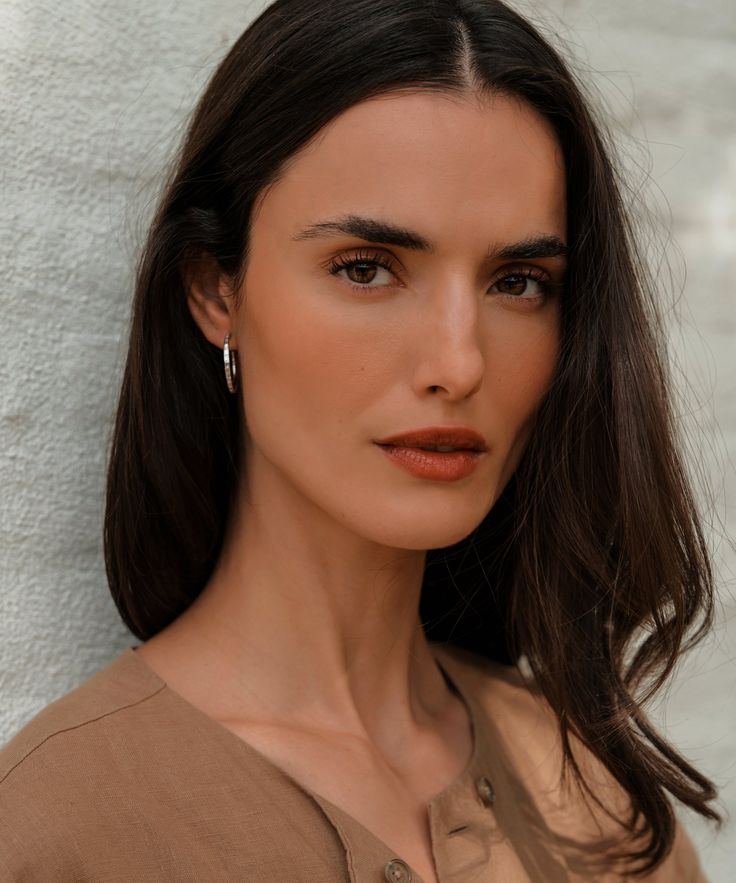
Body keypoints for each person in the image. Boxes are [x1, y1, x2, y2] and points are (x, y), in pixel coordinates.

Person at [0, 0, 722, 880]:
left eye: (520, 281)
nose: (458, 364)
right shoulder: (58, 828)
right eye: (366, 268)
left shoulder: (603, 809)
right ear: (215, 291)